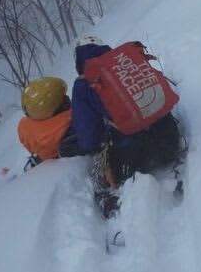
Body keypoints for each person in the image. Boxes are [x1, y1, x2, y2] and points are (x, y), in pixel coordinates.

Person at [72, 36, 183, 218]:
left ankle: (110, 199)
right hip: (169, 138)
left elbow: (88, 134)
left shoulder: (83, 84)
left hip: (130, 160)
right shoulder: (126, 62)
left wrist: (92, 147)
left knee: (98, 161)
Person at [18, 77, 80, 168]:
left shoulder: (27, 127)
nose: (68, 99)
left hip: (41, 158)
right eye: (64, 100)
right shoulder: (68, 131)